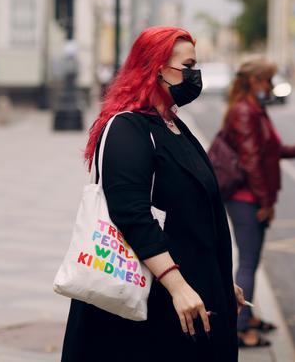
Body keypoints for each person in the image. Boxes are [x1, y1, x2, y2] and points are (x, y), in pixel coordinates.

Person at [61, 27, 245, 361]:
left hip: (191, 291)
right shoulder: (127, 128)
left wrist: (218, 278)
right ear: (156, 68)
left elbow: (192, 210)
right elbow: (132, 214)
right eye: (187, 66)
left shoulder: (173, 125)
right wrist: (177, 286)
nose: (194, 75)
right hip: (153, 301)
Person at [221, 58, 295, 348]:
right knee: (247, 261)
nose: (271, 86)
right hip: (246, 199)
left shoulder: (254, 110)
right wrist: (265, 202)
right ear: (252, 82)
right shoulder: (245, 112)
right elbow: (252, 163)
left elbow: (275, 151)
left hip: (250, 197)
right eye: (267, 81)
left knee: (251, 260)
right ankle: (239, 327)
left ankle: (248, 316)